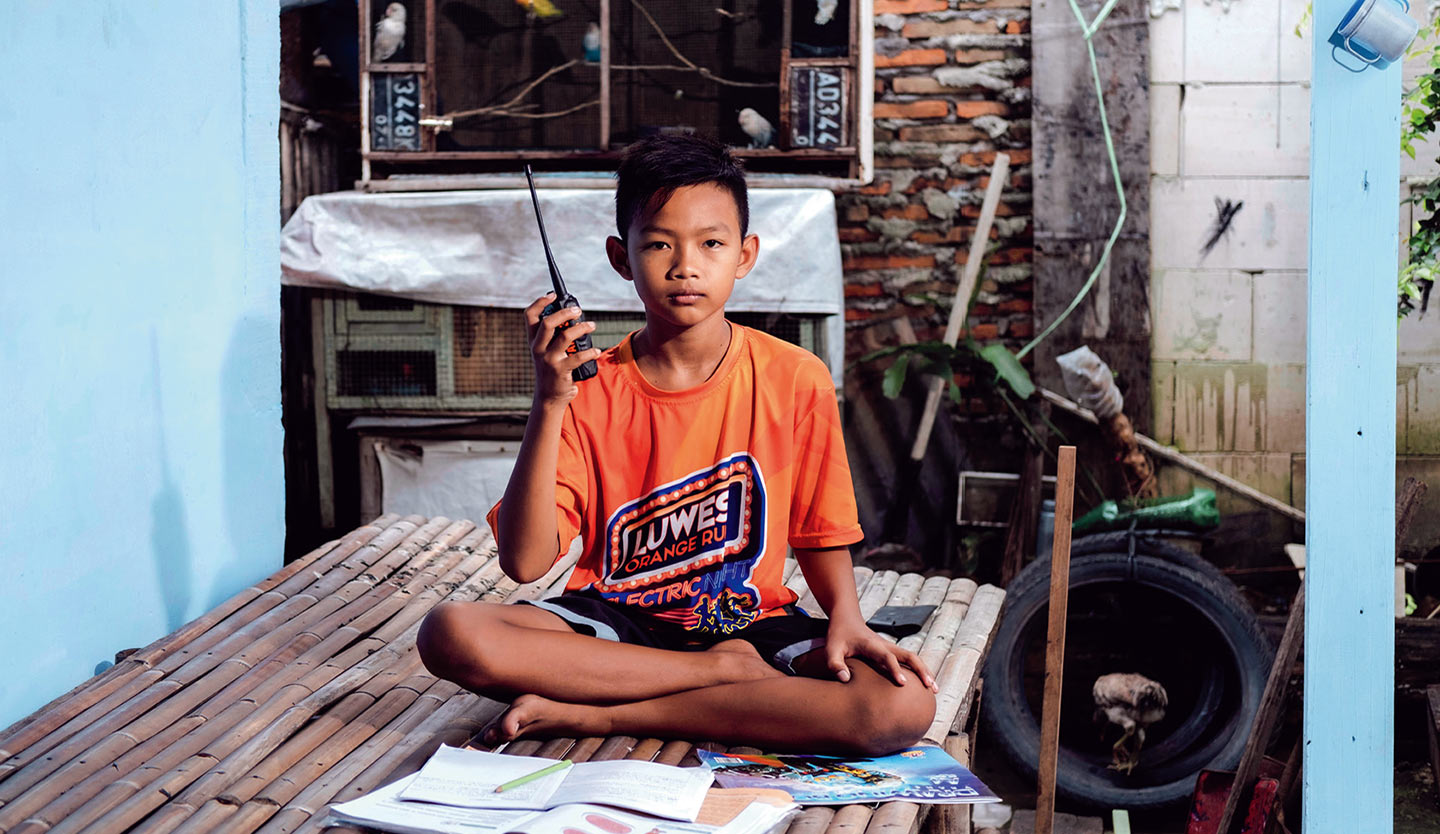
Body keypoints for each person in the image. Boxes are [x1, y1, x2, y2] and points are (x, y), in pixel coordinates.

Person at [417, 133, 936, 756]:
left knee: (900, 705)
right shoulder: (588, 389)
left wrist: (847, 621)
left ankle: (601, 716)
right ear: (620, 256)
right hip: (617, 627)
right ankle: (715, 680)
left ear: (745, 255)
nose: (685, 265)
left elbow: (819, 530)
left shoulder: (795, 376)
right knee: (450, 633)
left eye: (711, 244)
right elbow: (525, 564)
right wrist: (550, 400)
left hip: (750, 623)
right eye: (659, 243)